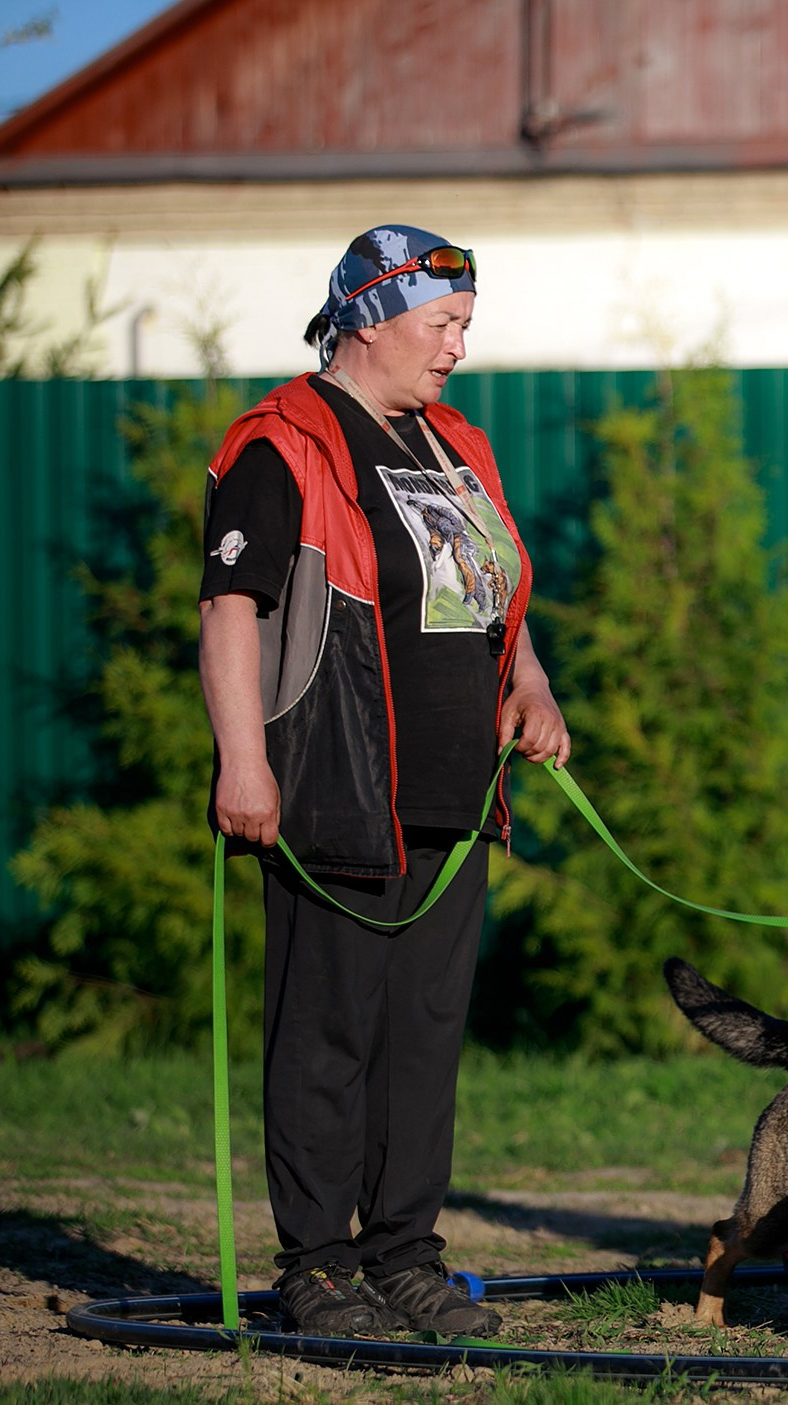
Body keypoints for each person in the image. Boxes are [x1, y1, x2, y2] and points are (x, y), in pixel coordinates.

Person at [197, 225, 572, 1338]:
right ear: (369, 315)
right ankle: (316, 1268)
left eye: (465, 325)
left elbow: (492, 598)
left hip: (456, 802)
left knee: (421, 1043)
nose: (458, 346)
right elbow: (229, 613)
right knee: (328, 1039)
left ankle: (407, 1257)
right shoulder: (284, 445)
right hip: (331, 787)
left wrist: (534, 684)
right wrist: (243, 763)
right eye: (442, 323)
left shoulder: (454, 446)